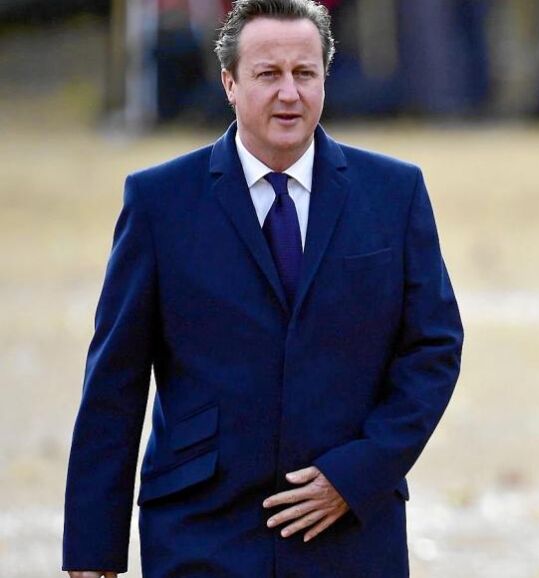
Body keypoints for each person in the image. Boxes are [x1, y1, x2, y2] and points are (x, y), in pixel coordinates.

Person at [62, 1, 462, 576]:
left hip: (350, 531)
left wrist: (358, 472)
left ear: (325, 77)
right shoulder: (159, 202)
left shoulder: (395, 193)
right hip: (202, 531)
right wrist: (93, 549)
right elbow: (114, 382)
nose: (289, 93)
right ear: (229, 82)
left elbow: (434, 349)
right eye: (268, 74)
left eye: (305, 73)